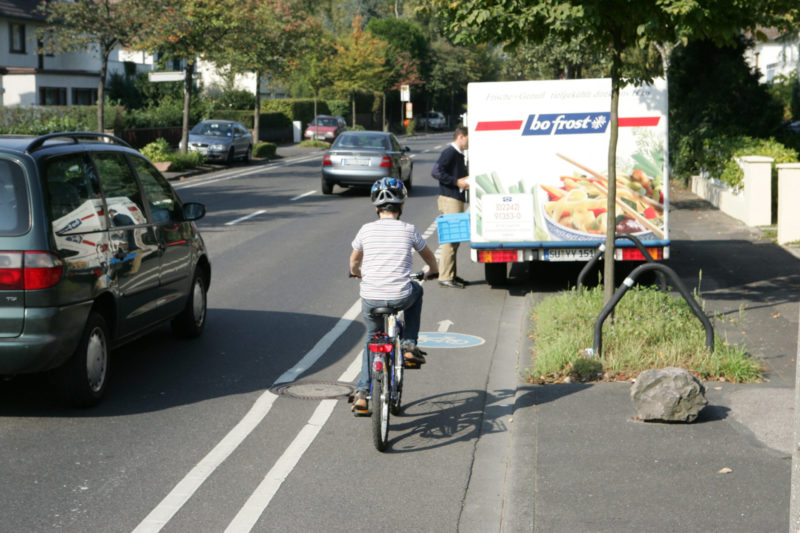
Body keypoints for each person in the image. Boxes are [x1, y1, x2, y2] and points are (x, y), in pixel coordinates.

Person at [349, 177, 439, 413]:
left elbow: (354, 259)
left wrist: (356, 272)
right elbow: (429, 257)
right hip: (400, 295)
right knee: (416, 291)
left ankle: (361, 394)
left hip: (372, 298)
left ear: (376, 207)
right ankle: (409, 344)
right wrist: (433, 271)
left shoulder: (365, 230)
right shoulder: (409, 230)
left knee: (372, 338)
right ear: (402, 206)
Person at [432, 125, 469, 288]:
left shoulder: (458, 154)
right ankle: (445, 276)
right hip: (450, 199)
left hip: (455, 198)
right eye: (469, 139)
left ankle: (451, 274)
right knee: (451, 239)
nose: (470, 143)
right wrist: (456, 182)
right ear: (461, 137)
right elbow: (436, 171)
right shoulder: (450, 152)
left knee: (455, 239)